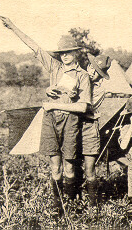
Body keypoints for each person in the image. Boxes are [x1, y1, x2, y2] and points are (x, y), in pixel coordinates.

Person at [1, 17, 91, 215]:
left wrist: (53, 103)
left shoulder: (82, 75)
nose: (65, 56)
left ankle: (71, 207)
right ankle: (58, 209)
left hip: (70, 122)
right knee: (54, 167)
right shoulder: (55, 68)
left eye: (68, 52)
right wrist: (13, 26)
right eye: (61, 53)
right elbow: (34, 47)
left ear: (76, 53)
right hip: (51, 121)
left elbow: (84, 106)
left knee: (69, 167)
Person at [46, 54, 111, 207]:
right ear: (87, 66)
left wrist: (70, 97)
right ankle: (72, 201)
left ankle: (93, 205)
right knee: (70, 165)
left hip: (88, 128)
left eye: (97, 72)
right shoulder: (78, 78)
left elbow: (84, 108)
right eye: (91, 68)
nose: (92, 73)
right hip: (72, 126)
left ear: (101, 76)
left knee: (89, 169)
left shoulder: (99, 89)